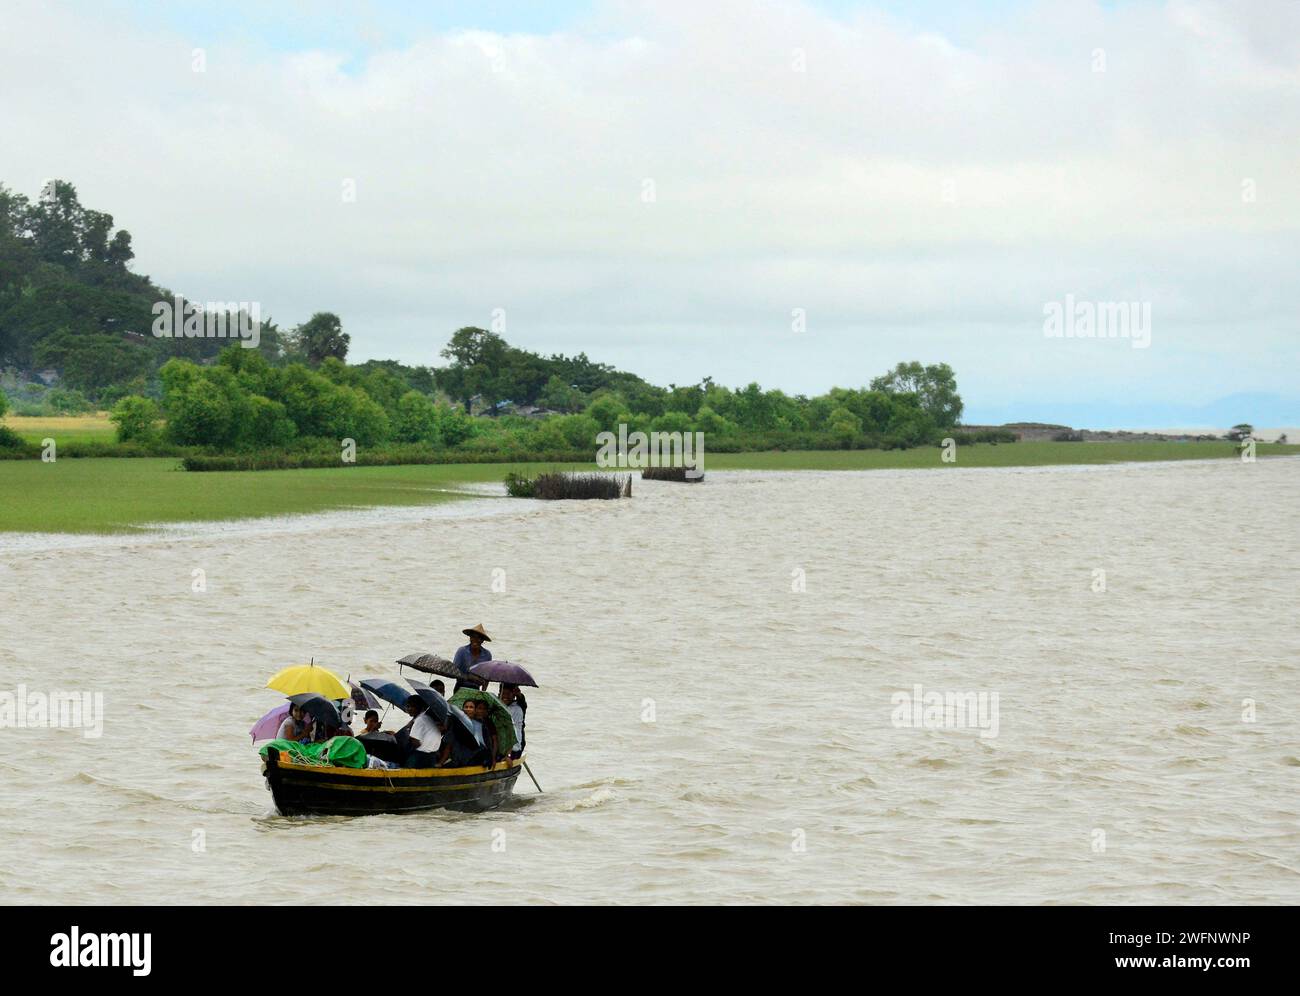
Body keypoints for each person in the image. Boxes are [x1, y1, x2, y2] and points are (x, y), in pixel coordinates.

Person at [499, 683, 526, 759]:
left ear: (514, 695)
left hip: (515, 746)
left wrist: (508, 754)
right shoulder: (497, 706)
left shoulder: (518, 708)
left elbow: (514, 733)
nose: (505, 696)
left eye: (508, 694)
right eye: (503, 693)